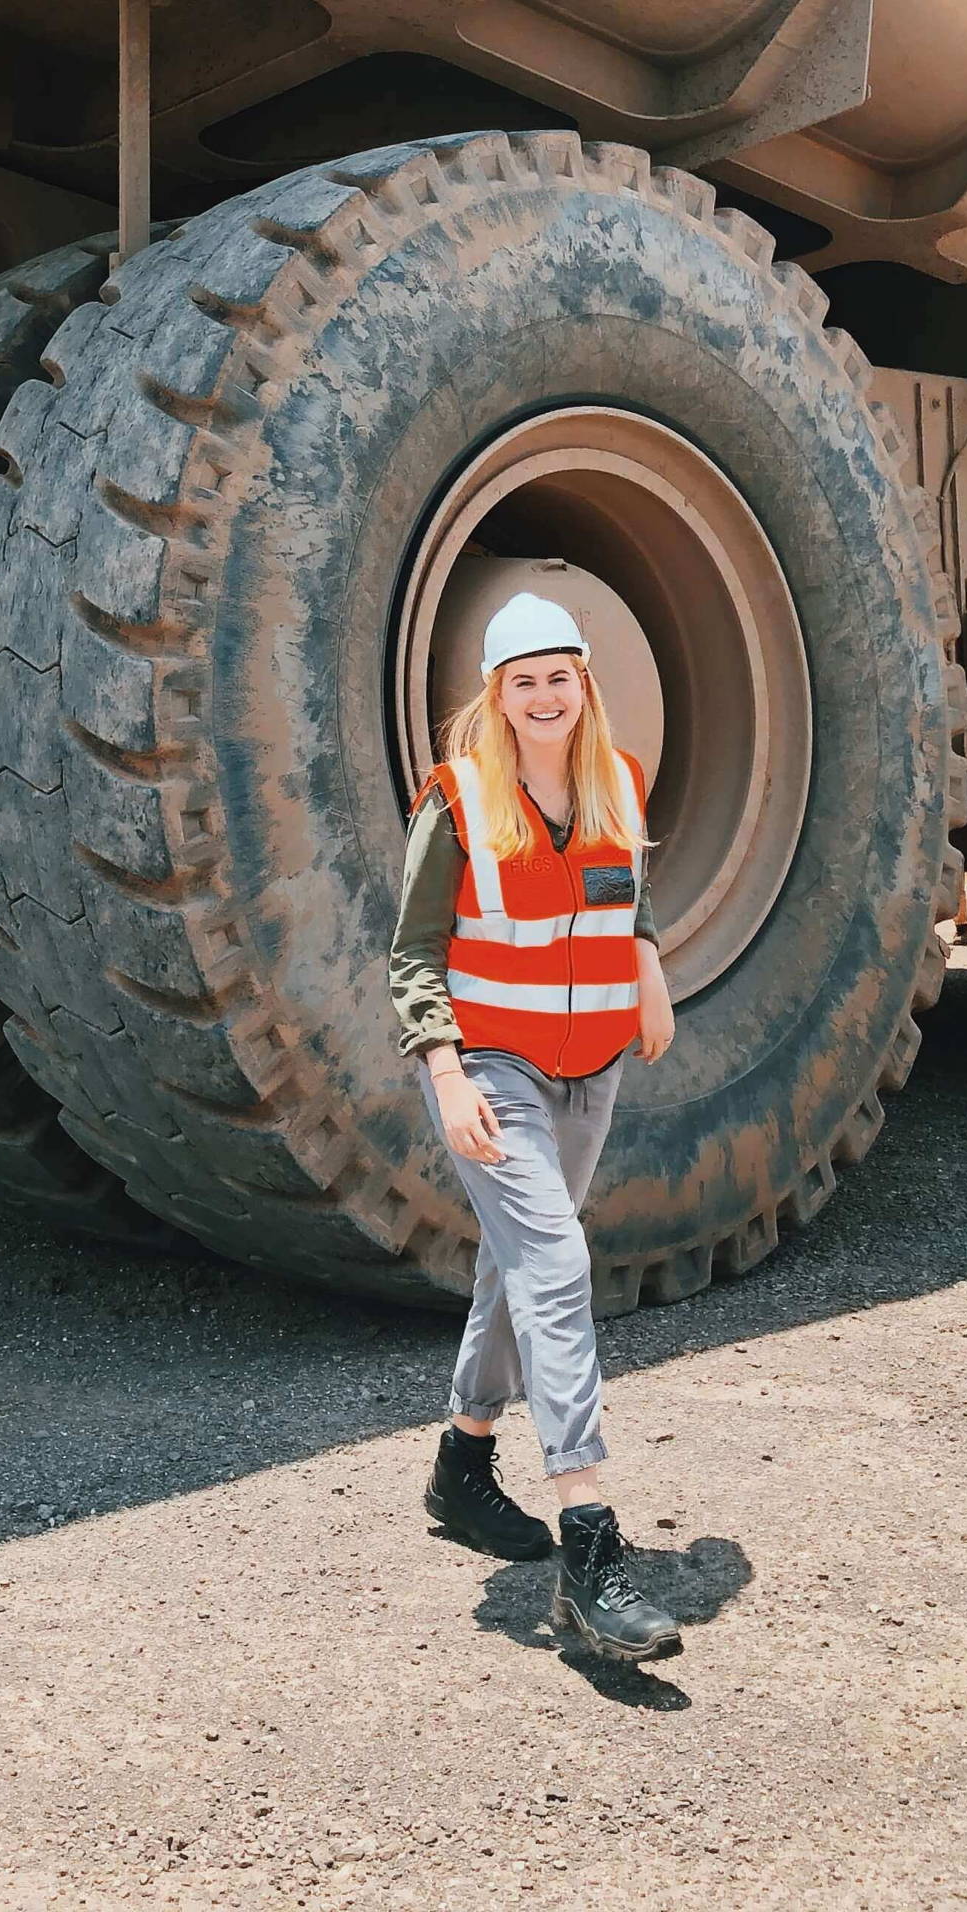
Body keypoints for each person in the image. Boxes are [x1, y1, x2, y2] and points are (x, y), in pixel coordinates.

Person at [390, 590, 684, 1664]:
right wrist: (445, 1071)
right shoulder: (461, 798)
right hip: (491, 1070)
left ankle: (463, 1469)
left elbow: (623, 889)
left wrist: (648, 965)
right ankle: (590, 1541)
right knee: (556, 1263)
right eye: (524, 682)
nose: (545, 696)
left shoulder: (619, 780)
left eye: (560, 676)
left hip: (592, 1065)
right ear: (497, 697)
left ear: (584, 682)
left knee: (515, 1270)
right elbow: (414, 952)